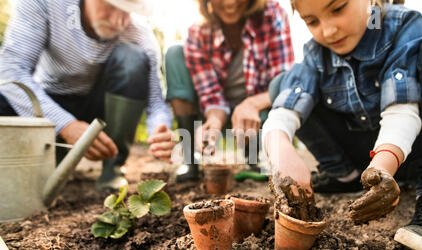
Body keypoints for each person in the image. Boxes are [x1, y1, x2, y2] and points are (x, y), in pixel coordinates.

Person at [262, 0, 422, 250]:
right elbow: (281, 115)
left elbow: (401, 112)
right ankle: (347, 177)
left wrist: (382, 167)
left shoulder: (401, 26)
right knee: (282, 85)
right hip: (365, 159)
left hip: (414, 152)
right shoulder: (317, 53)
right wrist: (281, 154)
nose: (327, 31)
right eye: (312, 21)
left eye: (337, 9)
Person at [0, 0, 173, 191]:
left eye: (127, 12)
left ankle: (113, 168)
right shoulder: (44, 4)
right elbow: (11, 70)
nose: (118, 21)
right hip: (49, 105)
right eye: (111, 6)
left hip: (99, 110)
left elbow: (156, 103)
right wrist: (65, 124)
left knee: (132, 58)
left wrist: (159, 130)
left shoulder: (139, 34)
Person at [159, 0, 294, 182]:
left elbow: (284, 81)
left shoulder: (273, 14)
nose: (230, 2)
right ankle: (190, 158)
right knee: (175, 53)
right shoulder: (197, 32)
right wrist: (214, 120)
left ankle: (254, 154)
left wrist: (251, 105)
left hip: (259, 114)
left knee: (282, 99)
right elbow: (210, 95)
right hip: (218, 114)